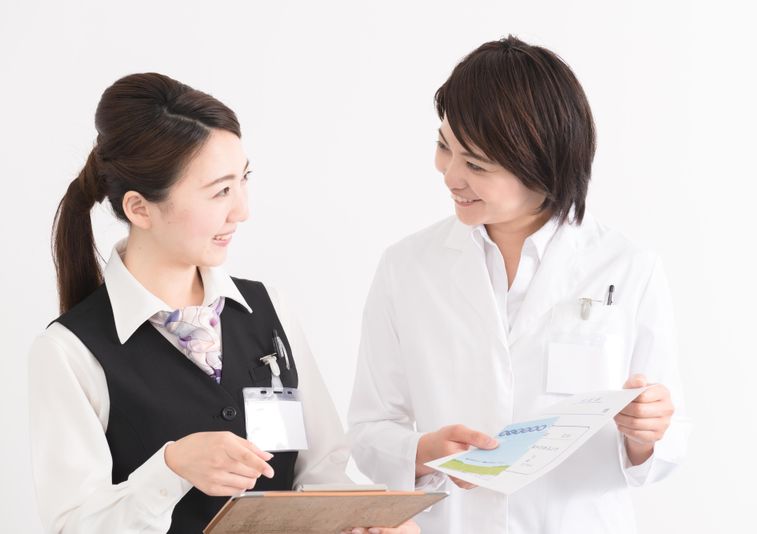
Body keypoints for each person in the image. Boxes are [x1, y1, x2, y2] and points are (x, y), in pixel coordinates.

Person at [29, 72, 416, 534]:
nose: (242, 211)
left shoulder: (268, 308)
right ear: (139, 208)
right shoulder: (69, 351)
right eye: (220, 191)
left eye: (243, 180)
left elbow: (320, 474)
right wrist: (170, 469)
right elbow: (74, 526)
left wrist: (366, 523)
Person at [348, 36, 689, 533]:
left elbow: (667, 446)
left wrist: (646, 433)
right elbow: (369, 430)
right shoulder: (407, 267)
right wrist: (421, 452)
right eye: (444, 147)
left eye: (476, 165)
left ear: (542, 167)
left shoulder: (627, 268)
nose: (450, 176)